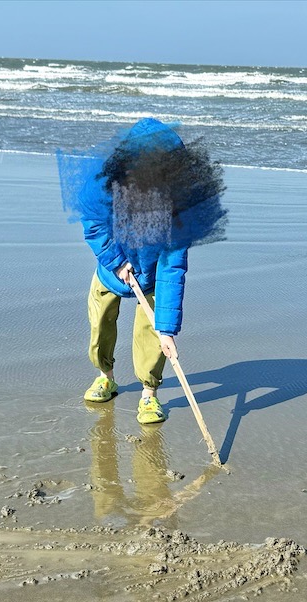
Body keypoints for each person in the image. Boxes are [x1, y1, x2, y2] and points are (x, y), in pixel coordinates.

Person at [65, 118, 226, 425]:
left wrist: (166, 329)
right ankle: (105, 377)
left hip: (151, 280)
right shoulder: (104, 184)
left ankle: (149, 394)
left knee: (153, 338)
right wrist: (116, 261)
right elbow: (93, 224)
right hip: (111, 271)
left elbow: (172, 268)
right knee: (100, 326)